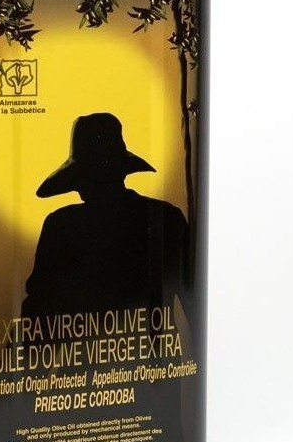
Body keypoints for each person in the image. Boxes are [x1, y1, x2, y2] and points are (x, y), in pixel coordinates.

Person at [21, 113, 189, 321]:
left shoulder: (62, 226)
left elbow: (36, 309)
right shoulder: (166, 218)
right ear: (122, 170)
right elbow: (194, 301)